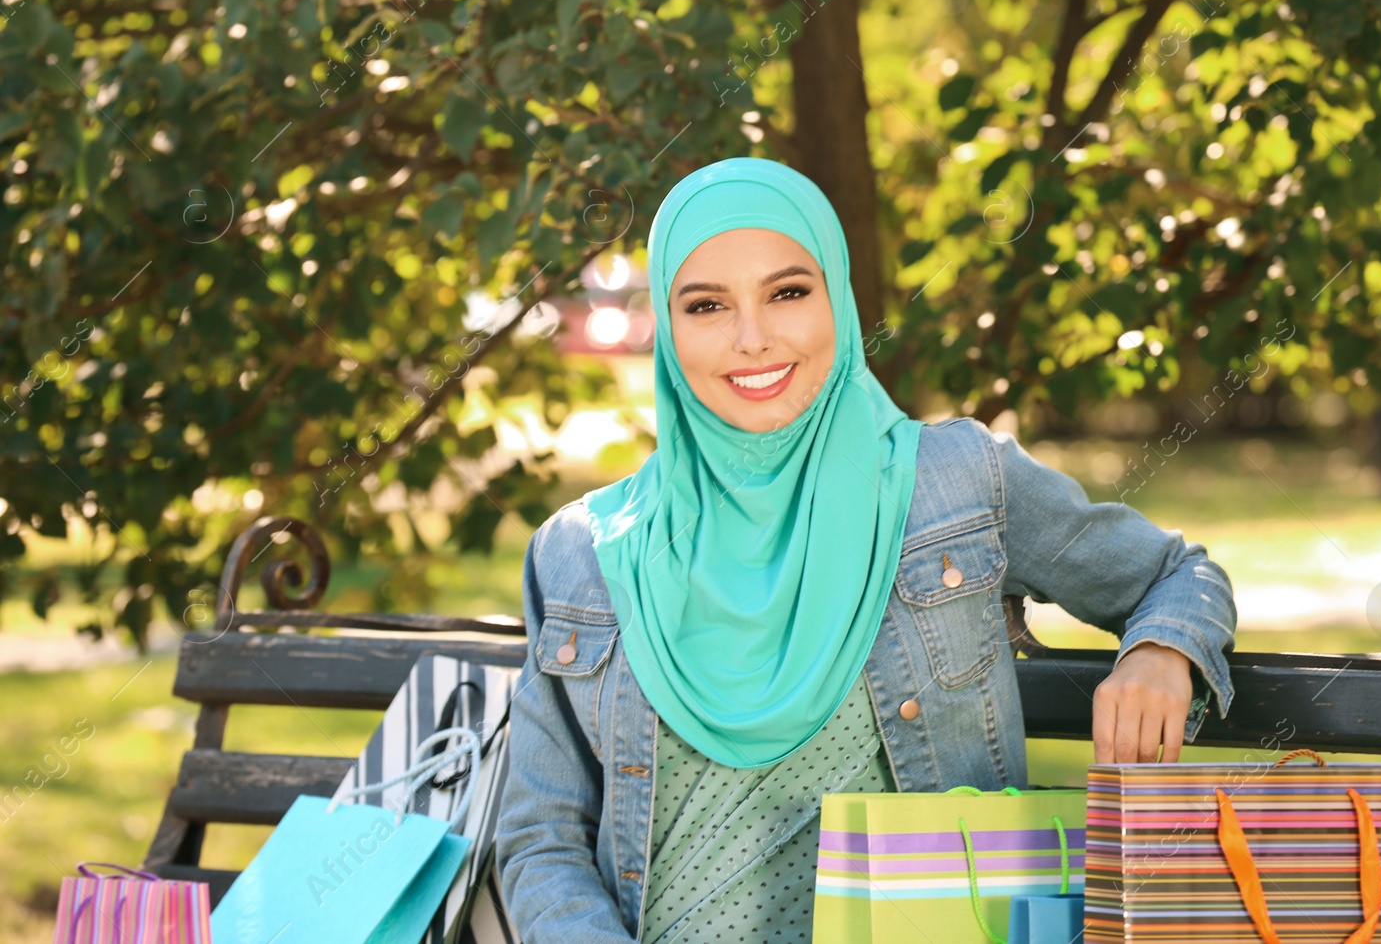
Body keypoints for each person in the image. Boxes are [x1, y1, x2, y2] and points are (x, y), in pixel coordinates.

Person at [495, 157, 1238, 942]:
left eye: (788, 292)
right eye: (707, 305)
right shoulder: (581, 555)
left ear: (838, 301)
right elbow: (540, 840)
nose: (753, 339)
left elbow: (1177, 573)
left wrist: (1159, 653)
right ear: (667, 330)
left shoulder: (955, 482)